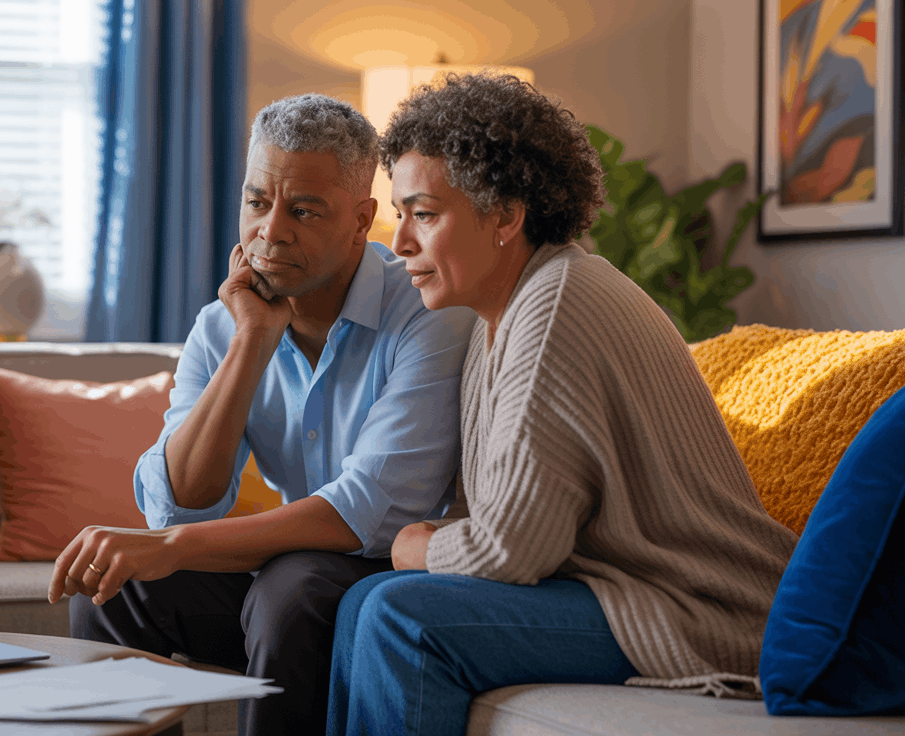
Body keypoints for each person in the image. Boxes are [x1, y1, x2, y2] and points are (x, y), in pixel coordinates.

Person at [325, 73, 800, 736]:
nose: (399, 241)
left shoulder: (555, 306)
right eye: (399, 213)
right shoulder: (503, 316)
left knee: (401, 615)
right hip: (618, 590)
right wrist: (424, 548)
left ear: (505, 217)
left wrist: (417, 547)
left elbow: (512, 551)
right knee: (364, 601)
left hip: (701, 611)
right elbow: (502, 520)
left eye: (424, 214)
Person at [49, 94, 477, 736]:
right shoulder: (223, 326)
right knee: (120, 584)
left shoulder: (426, 313)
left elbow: (367, 509)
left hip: (398, 575)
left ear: (362, 220)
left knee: (291, 587)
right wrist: (251, 341)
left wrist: (169, 545)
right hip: (295, 568)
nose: (271, 231)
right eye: (257, 202)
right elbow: (181, 504)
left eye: (303, 210)